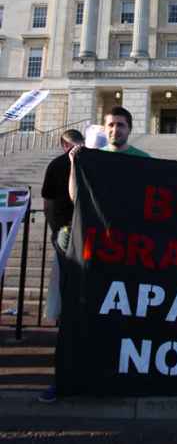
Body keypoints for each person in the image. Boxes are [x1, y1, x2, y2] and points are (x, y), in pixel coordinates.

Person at [39, 129, 84, 404]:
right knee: (68, 303)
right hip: (68, 237)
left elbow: (48, 204)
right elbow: (49, 202)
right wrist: (60, 232)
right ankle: (63, 374)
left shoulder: (87, 160)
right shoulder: (58, 165)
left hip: (75, 237)